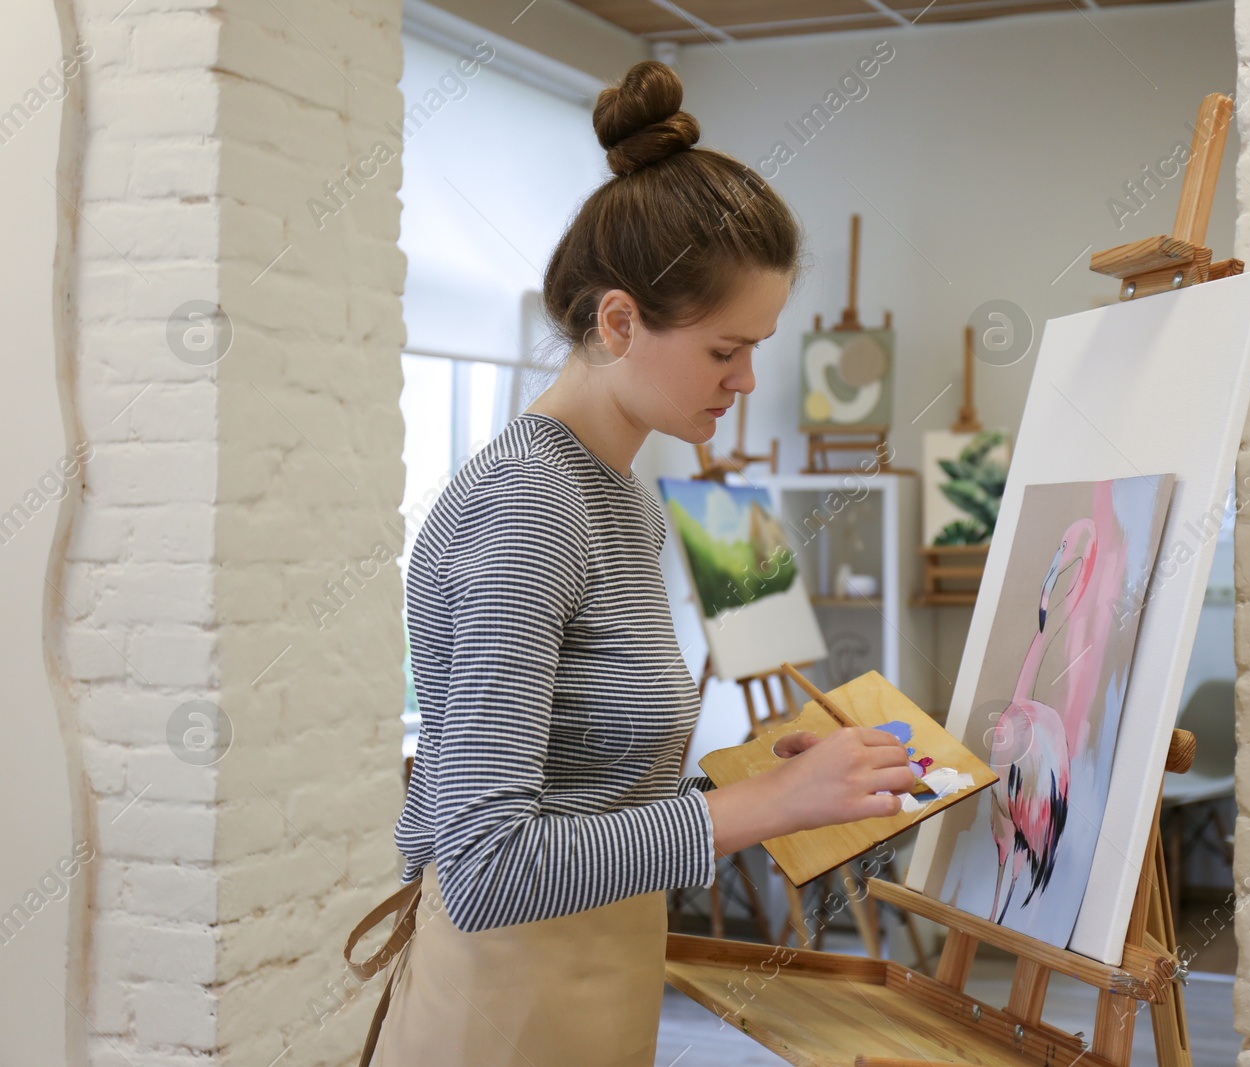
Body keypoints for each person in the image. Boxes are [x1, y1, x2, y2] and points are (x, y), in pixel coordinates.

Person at [343, 58, 919, 1067]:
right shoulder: (528, 504)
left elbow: (582, 787)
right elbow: (485, 866)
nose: (746, 381)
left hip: (589, 980)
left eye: (757, 349)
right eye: (722, 351)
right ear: (617, 321)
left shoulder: (619, 499)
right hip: (500, 1007)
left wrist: (740, 779)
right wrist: (755, 809)